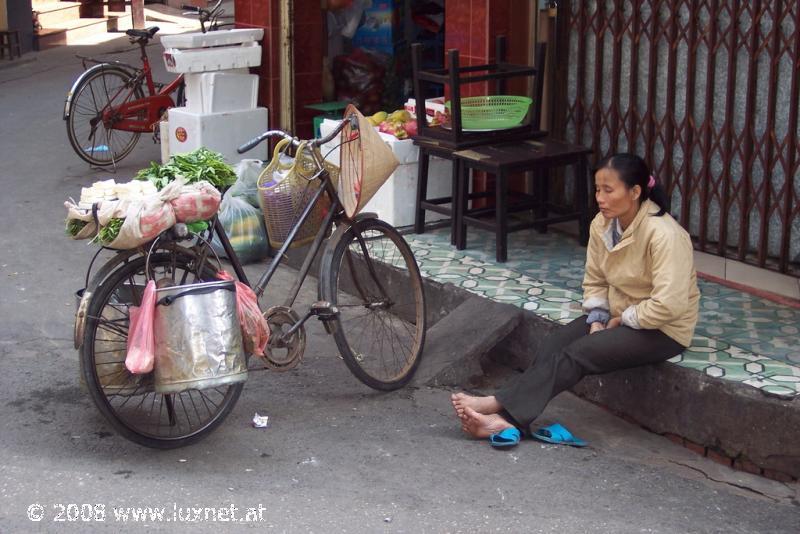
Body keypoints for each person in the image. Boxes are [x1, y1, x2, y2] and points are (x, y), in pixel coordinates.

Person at [452, 153, 700, 443]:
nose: (600, 198)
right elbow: (595, 279)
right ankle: (508, 419)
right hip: (617, 316)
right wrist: (597, 318)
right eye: (597, 189)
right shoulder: (602, 225)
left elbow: (670, 304)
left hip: (662, 329)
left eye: (609, 190)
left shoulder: (665, 235)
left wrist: (624, 318)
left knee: (578, 353)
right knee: (555, 344)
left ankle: (499, 409)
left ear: (635, 192)